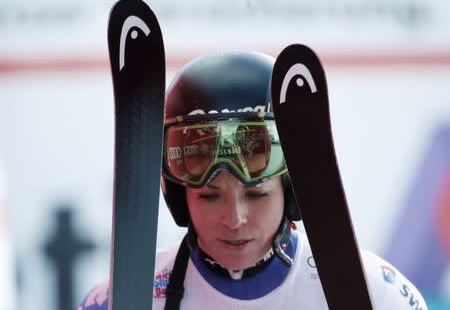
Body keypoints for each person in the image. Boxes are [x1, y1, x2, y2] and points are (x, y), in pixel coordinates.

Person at [79, 51, 428, 310]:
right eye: (209, 197)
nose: (234, 219)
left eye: (257, 194)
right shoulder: (123, 297)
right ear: (178, 197)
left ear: (292, 191)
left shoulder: (378, 295)